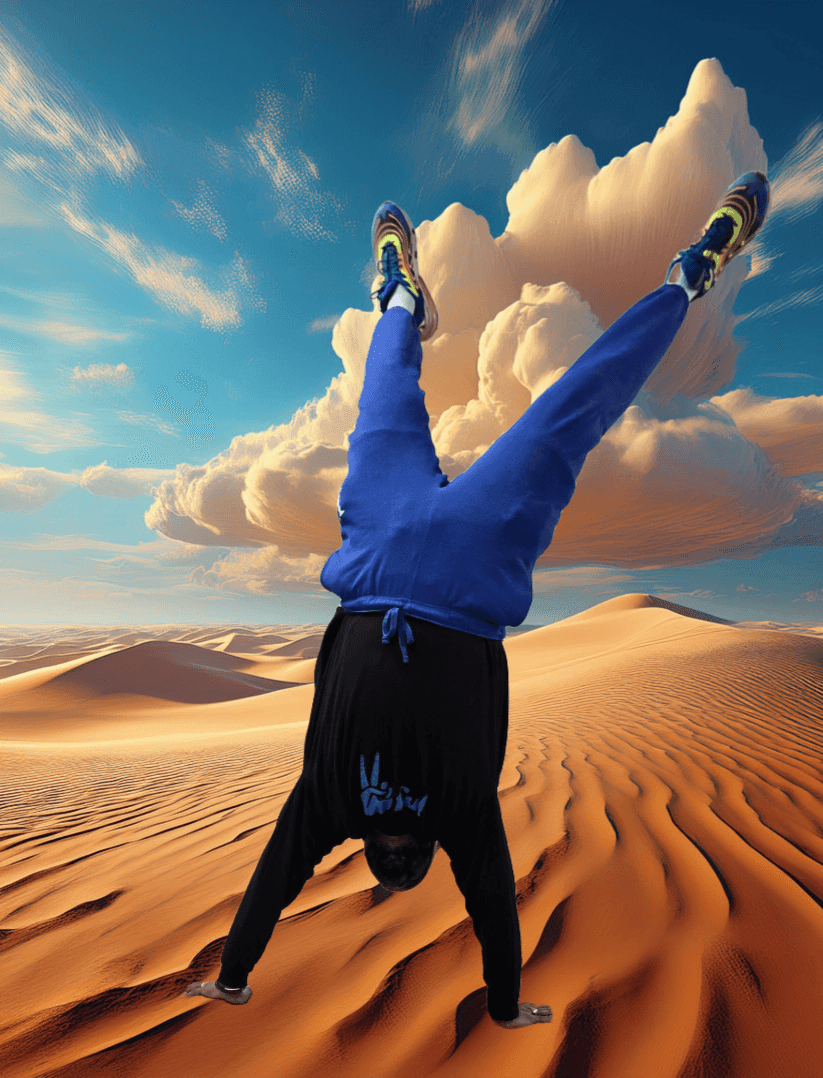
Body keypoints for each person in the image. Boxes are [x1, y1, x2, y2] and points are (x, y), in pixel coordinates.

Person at [186, 172, 770, 1028]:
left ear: (403, 854)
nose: (390, 845)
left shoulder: (397, 812)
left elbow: (462, 901)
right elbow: (457, 898)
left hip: (413, 561)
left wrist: (239, 976)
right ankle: (674, 273)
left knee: (494, 403)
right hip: (425, 562)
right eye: (397, 853)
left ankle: (410, 294)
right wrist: (500, 1001)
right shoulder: (361, 811)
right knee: (540, 406)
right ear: (407, 852)